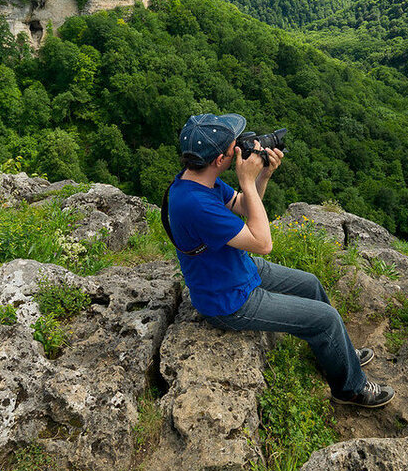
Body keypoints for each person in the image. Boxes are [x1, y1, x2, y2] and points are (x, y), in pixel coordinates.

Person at [165, 113, 394, 408]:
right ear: (220, 159)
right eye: (234, 146)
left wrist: (261, 178)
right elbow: (263, 243)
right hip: (229, 300)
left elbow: (246, 207)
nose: (240, 148)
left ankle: (338, 353)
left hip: (236, 269)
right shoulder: (196, 203)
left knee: (311, 284)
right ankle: (350, 389)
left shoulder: (200, 180)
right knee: (327, 319)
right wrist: (246, 179)